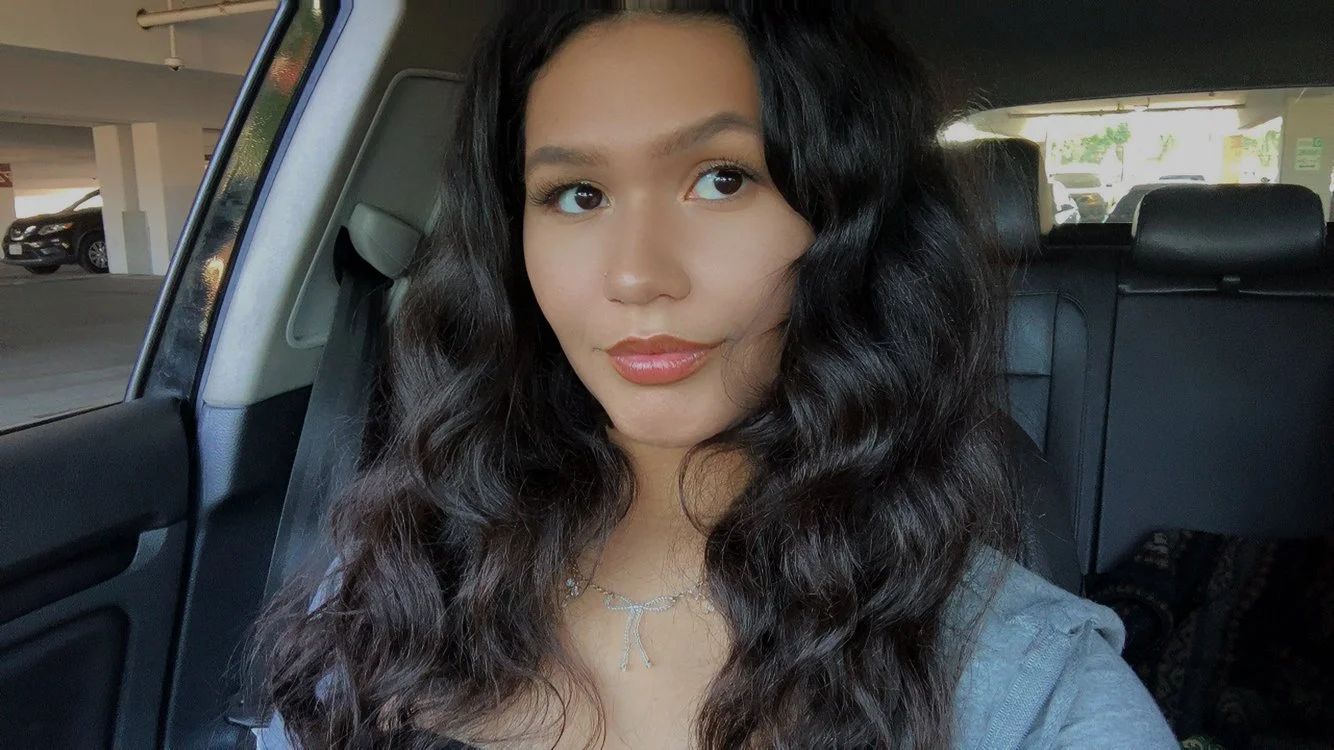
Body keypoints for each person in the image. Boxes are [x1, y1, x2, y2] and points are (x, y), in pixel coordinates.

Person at [253, 2, 1177, 747]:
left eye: (723, 179)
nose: (636, 274)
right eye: (578, 195)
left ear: (852, 227)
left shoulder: (1024, 680)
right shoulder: (395, 588)